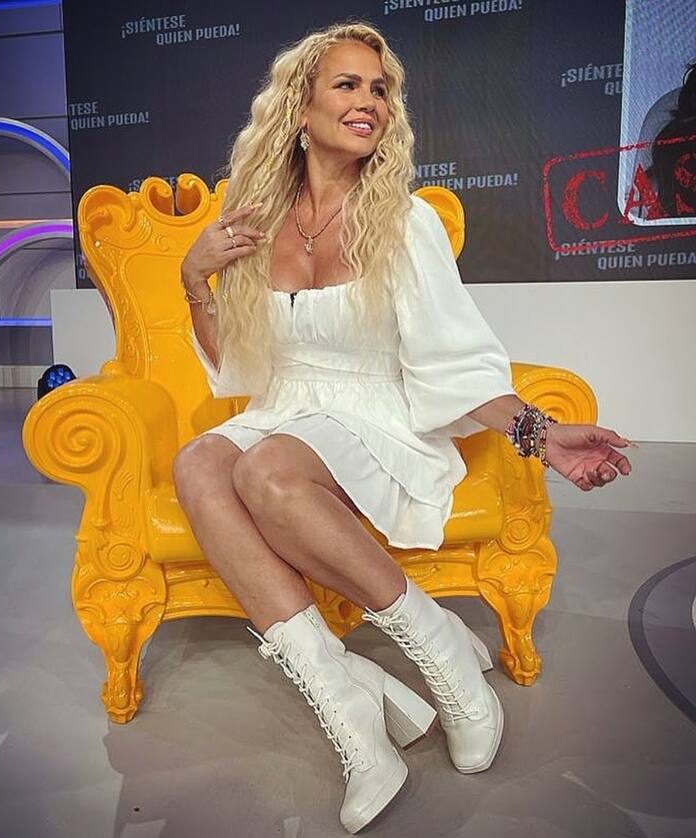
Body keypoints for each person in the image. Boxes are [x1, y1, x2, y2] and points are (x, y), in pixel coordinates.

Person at [173, 21, 635, 834]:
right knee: (199, 463)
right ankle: (348, 705)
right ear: (300, 106)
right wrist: (194, 279)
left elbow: (453, 365)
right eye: (348, 85)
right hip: (286, 408)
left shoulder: (404, 221)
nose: (370, 102)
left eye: (380, 88)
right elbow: (240, 370)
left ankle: (440, 648)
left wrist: (541, 433)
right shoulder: (254, 222)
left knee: (265, 470)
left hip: (374, 413)